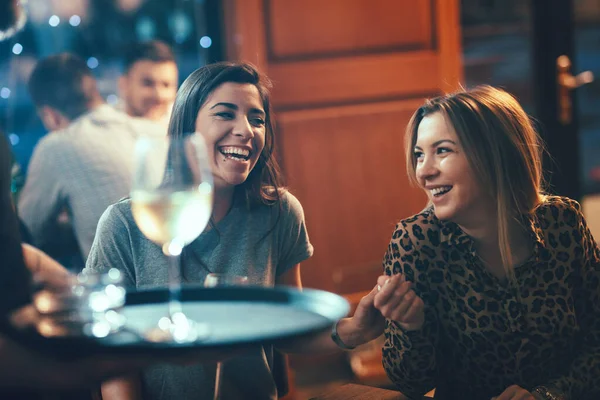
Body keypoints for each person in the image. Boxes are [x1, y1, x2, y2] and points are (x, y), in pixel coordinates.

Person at [85, 61, 410, 400]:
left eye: (257, 119)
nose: (246, 130)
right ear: (186, 129)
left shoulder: (280, 212)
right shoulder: (124, 222)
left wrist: (355, 330)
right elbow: (112, 355)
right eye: (225, 114)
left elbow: (289, 330)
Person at [379, 85, 600, 400]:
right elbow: (410, 384)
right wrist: (410, 328)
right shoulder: (415, 243)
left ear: (495, 152)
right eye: (419, 154)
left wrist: (548, 395)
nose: (423, 172)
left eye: (442, 150)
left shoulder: (562, 222)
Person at [18, 53, 159, 264]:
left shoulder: (56, 146)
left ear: (50, 115)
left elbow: (27, 232)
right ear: (94, 92)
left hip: (120, 290)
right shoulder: (148, 129)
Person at [117, 39, 178, 123]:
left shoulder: (187, 128)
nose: (158, 95)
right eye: (148, 83)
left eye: (166, 85)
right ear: (124, 84)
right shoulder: (104, 129)